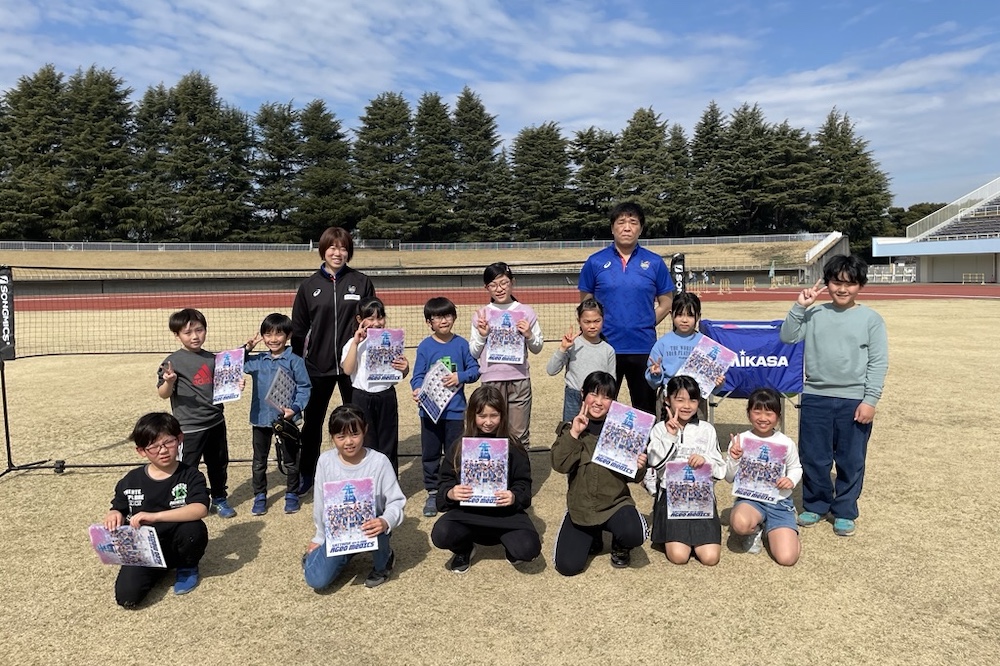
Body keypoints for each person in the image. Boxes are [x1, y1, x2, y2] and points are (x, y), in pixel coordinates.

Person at [779, 254, 888, 537]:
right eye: (836, 282)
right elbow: (787, 336)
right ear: (827, 283)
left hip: (854, 400)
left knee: (851, 459)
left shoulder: (871, 319)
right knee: (814, 456)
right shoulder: (814, 314)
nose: (842, 289)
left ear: (860, 286)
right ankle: (816, 504)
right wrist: (800, 306)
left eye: (850, 284)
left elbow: (878, 362)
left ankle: (845, 510)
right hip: (815, 395)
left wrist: (870, 400)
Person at [292, 226, 376, 495]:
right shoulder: (309, 286)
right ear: (323, 250)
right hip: (317, 366)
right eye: (332, 247)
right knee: (313, 422)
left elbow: (374, 321)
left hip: (353, 365)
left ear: (349, 252)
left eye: (343, 248)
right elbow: (299, 329)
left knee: (358, 420)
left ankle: (362, 472)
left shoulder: (361, 282)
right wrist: (299, 365)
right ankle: (307, 473)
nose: (337, 253)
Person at [103, 412, 210, 608]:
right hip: (143, 547)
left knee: (193, 529)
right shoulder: (131, 479)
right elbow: (118, 507)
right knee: (127, 597)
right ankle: (157, 569)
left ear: (179, 439)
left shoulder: (190, 475)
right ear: (141, 451)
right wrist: (114, 514)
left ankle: (186, 567)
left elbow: (200, 508)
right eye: (154, 447)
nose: (163, 450)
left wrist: (156, 516)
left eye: (168, 442)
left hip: (178, 540)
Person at [431, 385, 541, 573]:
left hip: (505, 515)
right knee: (441, 534)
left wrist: (514, 496)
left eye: (494, 416)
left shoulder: (514, 447)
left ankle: (511, 547)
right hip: (467, 514)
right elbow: (444, 482)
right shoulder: (459, 447)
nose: (488, 422)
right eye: (482, 416)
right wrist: (451, 493)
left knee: (528, 549)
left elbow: (524, 484)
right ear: (472, 415)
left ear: (503, 415)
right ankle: (464, 549)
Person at [579, 201, 675, 415]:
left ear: (641, 228)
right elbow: (586, 304)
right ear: (612, 228)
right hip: (604, 346)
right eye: (621, 222)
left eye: (633, 222)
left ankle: (646, 439)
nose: (627, 227)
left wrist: (646, 322)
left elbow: (666, 303)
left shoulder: (654, 262)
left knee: (644, 411)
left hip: (643, 347)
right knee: (598, 406)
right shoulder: (595, 262)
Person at [551, 371, 648, 575]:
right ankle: (593, 535)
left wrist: (640, 466)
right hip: (582, 508)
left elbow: (634, 477)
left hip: (615, 504)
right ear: (583, 394)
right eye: (594, 394)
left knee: (633, 533)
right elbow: (559, 465)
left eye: (606, 397)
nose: (598, 402)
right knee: (567, 566)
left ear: (613, 402)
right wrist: (574, 433)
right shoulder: (570, 429)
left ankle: (620, 545)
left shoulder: (623, 431)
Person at [302, 405, 405, 590]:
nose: (349, 442)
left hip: (371, 528)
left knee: (377, 523)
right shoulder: (325, 461)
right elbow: (321, 503)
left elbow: (396, 501)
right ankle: (342, 554)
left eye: (355, 434)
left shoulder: (379, 461)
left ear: (365, 430)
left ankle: (383, 562)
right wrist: (319, 537)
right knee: (316, 580)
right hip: (339, 532)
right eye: (341, 436)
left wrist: (385, 521)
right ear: (332, 436)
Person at [157, 308, 234, 518]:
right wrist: (169, 382)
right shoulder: (172, 362)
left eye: (199, 330)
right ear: (177, 335)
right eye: (187, 332)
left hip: (216, 422)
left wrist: (235, 386)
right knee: (187, 466)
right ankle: (186, 501)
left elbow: (223, 388)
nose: (194, 336)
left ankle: (219, 498)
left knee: (218, 464)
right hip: (189, 427)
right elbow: (163, 394)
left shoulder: (213, 359)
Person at [411, 297, 481, 518]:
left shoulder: (462, 344)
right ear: (429, 322)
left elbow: (475, 370)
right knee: (430, 453)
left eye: (448, 315)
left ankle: (454, 488)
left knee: (455, 452)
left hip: (455, 411)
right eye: (438, 317)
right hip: (430, 412)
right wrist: (417, 389)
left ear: (454, 317)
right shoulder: (425, 346)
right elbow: (417, 376)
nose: (443, 321)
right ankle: (433, 492)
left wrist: (460, 376)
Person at [646, 376, 726, 566]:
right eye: (680, 400)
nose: (687, 406)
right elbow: (655, 463)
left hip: (701, 498)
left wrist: (705, 461)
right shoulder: (658, 429)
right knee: (679, 557)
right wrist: (670, 436)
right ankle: (671, 533)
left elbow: (720, 470)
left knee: (710, 558)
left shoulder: (707, 429)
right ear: (667, 400)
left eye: (692, 400)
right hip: (672, 497)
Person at [243, 313, 312, 516]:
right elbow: (236, 364)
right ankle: (259, 495)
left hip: (286, 419)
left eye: (279, 334)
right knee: (259, 461)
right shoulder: (258, 360)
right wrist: (246, 348)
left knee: (291, 460)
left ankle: (291, 493)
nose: (273, 339)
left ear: (288, 336)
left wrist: (296, 408)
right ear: (263, 336)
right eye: (268, 334)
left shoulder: (295, 361)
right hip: (260, 418)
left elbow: (304, 386)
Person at [469, 262, 544, 449]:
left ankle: (519, 468)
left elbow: (537, 348)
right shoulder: (482, 314)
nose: (499, 289)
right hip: (491, 381)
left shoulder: (526, 312)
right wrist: (483, 335)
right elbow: (474, 352)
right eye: (493, 285)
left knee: (519, 435)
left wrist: (529, 335)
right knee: (491, 432)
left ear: (512, 282)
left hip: (519, 379)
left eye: (504, 283)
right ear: (486, 288)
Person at [726, 388, 802, 566]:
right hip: (750, 500)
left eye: (769, 413)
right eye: (757, 411)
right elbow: (729, 478)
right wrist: (734, 459)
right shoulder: (740, 440)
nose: (762, 418)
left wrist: (791, 480)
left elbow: (796, 468)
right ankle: (754, 530)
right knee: (740, 523)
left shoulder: (785, 442)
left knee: (787, 558)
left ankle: (782, 528)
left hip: (779, 502)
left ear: (778, 416)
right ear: (748, 413)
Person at [341, 296, 409, 475]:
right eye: (370, 318)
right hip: (361, 397)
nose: (376, 323)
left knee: (388, 440)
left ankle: (389, 481)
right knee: (366, 440)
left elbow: (400, 372)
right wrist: (356, 342)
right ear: (359, 319)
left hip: (386, 395)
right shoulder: (353, 343)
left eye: (380, 317)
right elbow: (347, 370)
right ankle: (367, 480)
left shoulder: (391, 341)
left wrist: (405, 368)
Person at [546, 298, 616, 423]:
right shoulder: (572, 344)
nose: (592, 326)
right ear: (579, 321)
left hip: (596, 399)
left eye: (597, 321)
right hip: (574, 396)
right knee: (570, 430)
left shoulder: (608, 350)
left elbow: (611, 381)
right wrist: (563, 348)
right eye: (587, 322)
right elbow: (551, 370)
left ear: (603, 319)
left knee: (594, 431)